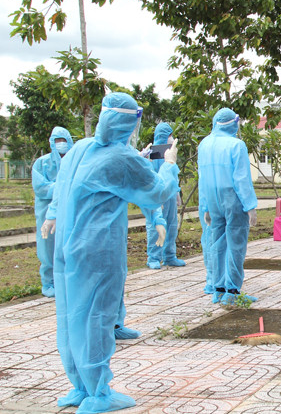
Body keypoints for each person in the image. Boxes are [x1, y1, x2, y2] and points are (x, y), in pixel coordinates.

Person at [41, 92, 179, 413]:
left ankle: (79, 386)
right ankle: (98, 393)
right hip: (97, 249)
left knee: (71, 316)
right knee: (98, 317)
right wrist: (168, 166)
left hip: (67, 243)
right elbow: (155, 192)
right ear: (131, 122)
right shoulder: (121, 158)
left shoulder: (80, 148)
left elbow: (67, 186)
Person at [198, 108, 259, 305]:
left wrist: (205, 205)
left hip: (213, 200)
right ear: (234, 122)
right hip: (233, 200)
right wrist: (250, 205)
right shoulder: (236, 145)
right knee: (236, 245)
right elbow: (241, 179)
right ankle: (232, 290)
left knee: (217, 244)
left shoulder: (204, 144)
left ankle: (218, 289)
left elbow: (202, 178)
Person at [31, 126, 73, 298]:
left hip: (69, 209)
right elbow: (41, 188)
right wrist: (62, 186)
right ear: (51, 143)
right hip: (46, 210)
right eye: (57, 141)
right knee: (47, 246)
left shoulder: (74, 161)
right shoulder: (42, 163)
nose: (61, 144)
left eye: (64, 141)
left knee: (68, 245)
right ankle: (48, 282)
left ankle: (67, 281)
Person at [144, 122, 185, 269]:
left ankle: (169, 256)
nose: (171, 138)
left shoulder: (170, 153)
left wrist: (177, 195)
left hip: (170, 198)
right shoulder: (152, 155)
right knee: (156, 227)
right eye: (169, 135)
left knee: (172, 226)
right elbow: (150, 178)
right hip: (157, 199)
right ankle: (153, 257)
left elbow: (174, 176)